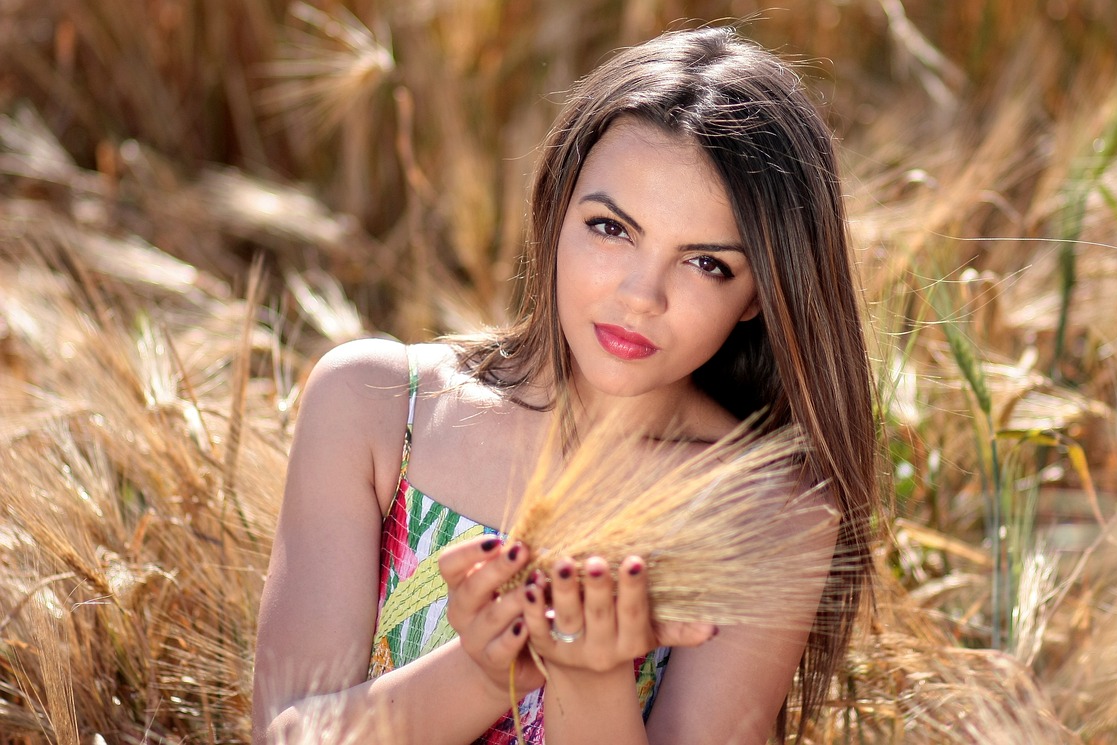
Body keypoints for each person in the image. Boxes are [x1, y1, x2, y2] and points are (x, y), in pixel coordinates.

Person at [252, 25, 877, 745]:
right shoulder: (377, 407)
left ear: (759, 295)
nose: (642, 295)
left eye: (706, 263)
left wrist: (589, 676)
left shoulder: (764, 506)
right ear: (554, 209)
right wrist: (486, 670)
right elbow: (284, 733)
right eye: (612, 228)